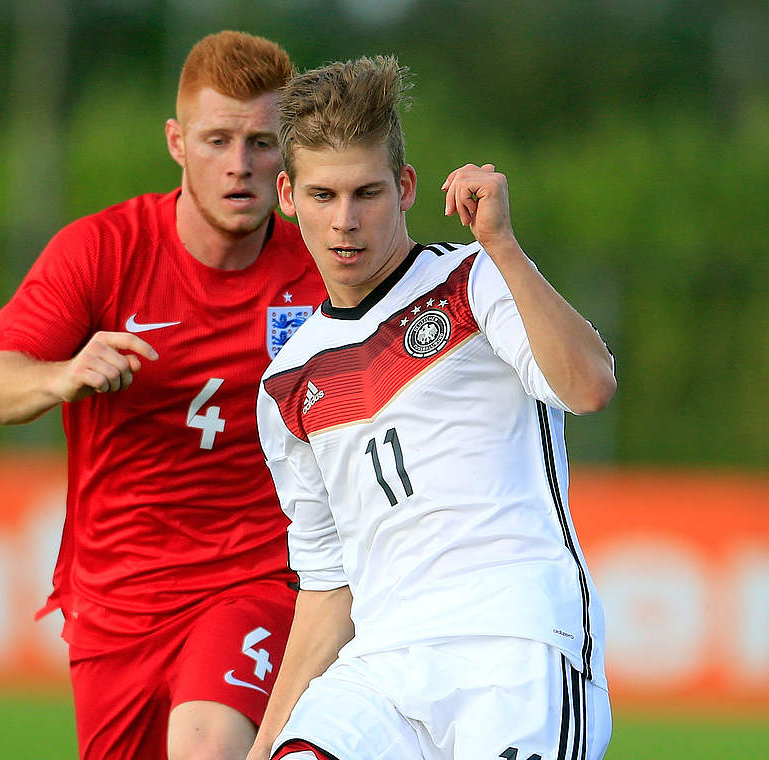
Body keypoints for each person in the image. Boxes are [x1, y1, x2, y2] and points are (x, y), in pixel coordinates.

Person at [0, 31, 325, 760]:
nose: (239, 165)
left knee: (206, 746)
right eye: (217, 139)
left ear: (287, 152)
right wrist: (61, 376)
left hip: (254, 576)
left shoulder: (319, 271)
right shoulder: (103, 251)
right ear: (176, 142)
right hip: (118, 600)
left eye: (261, 143)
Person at [249, 56, 617, 760]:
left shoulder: (474, 281)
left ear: (406, 187)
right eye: (324, 196)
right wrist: (262, 748)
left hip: (513, 648)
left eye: (367, 193)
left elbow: (589, 386)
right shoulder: (287, 382)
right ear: (288, 196)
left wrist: (503, 246)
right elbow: (327, 590)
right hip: (382, 670)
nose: (345, 222)